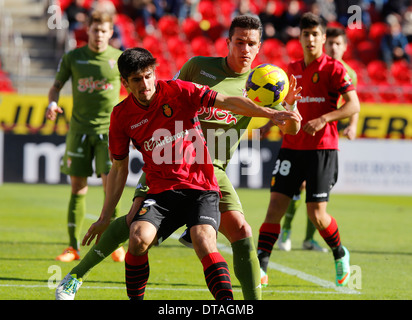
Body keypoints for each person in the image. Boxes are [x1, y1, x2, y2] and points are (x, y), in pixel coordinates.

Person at [54, 15, 302, 300]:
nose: (245, 49)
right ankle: (75, 277)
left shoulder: (264, 84)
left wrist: (287, 108)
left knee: (242, 231)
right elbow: (163, 100)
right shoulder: (199, 67)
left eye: (252, 44)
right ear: (228, 42)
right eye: (239, 42)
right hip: (164, 160)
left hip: (210, 170)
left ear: (259, 47)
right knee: (134, 225)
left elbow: (290, 126)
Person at [256, 12, 360, 288]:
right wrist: (268, 124)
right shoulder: (289, 70)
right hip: (291, 147)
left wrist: (325, 118)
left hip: (323, 149)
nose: (311, 39)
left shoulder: (335, 69)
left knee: (317, 214)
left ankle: (340, 253)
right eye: (306, 34)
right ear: (300, 38)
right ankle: (261, 266)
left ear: (323, 38)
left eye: (315, 34)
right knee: (274, 208)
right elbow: (283, 105)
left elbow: (353, 105)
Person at [46, 10, 125, 263]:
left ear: (111, 33)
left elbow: (135, 89)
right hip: (79, 131)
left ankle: (115, 243)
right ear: (87, 31)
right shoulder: (73, 58)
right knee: (78, 188)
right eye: (95, 30)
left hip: (109, 132)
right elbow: (56, 86)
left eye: (104, 31)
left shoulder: (119, 59)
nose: (99, 35)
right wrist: (52, 103)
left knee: (110, 188)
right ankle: (72, 247)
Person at [276, 26, 360, 253]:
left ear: (344, 46)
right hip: (298, 139)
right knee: (298, 188)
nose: (333, 47)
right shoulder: (304, 66)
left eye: (337, 44)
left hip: (325, 139)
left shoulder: (347, 72)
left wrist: (351, 125)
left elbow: (353, 104)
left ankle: (308, 238)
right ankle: (286, 230)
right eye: (330, 43)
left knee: (315, 197)